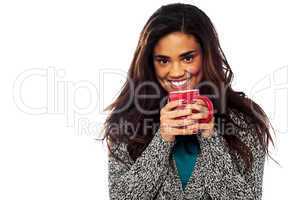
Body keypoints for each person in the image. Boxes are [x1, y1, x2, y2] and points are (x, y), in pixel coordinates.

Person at [102, 3, 274, 200]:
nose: (176, 72)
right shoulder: (127, 120)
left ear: (206, 56)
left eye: (188, 58)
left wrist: (210, 137)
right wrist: (163, 138)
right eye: (163, 61)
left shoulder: (245, 122)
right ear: (150, 63)